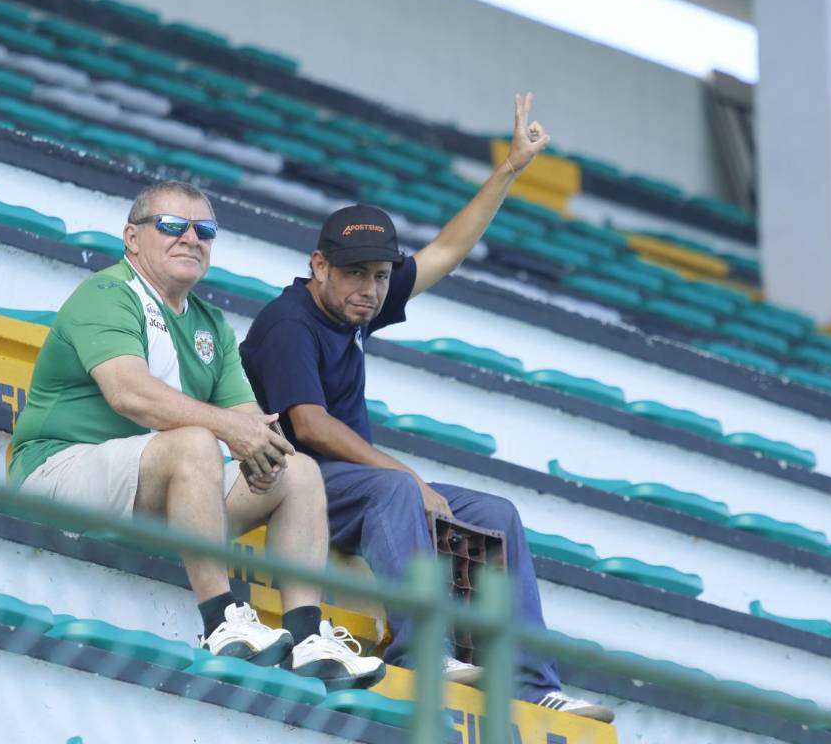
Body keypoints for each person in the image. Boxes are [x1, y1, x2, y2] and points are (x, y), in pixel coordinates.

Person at [240, 95, 612, 722]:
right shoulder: (288, 321)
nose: (371, 289)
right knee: (396, 491)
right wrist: (407, 477)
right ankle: (419, 650)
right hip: (291, 486)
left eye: (381, 276)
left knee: (498, 512)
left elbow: (444, 252)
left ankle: (525, 679)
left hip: (355, 486)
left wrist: (510, 169)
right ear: (319, 265)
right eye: (356, 274)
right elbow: (308, 426)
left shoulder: (356, 302)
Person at [9, 180, 384, 690]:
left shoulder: (212, 325)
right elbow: (129, 394)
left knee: (296, 471)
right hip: (60, 474)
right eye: (171, 226)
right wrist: (231, 428)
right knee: (194, 441)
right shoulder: (107, 293)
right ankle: (221, 621)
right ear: (132, 237)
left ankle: (305, 634)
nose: (191, 238)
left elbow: (254, 425)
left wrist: (261, 444)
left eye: (204, 230)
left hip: (149, 489)